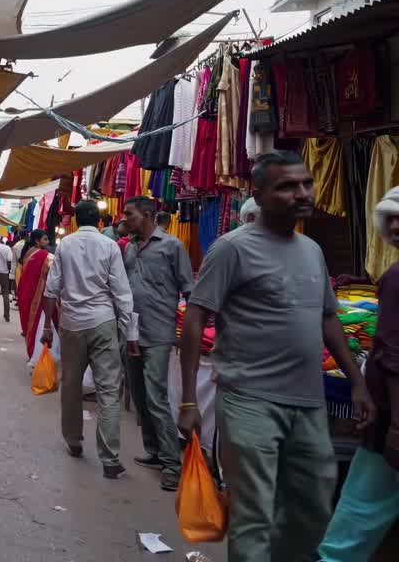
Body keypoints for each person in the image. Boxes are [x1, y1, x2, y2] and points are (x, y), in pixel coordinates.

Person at [178, 151, 374, 562]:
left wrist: (358, 383)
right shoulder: (232, 249)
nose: (302, 193)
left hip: (307, 402)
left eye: (305, 183)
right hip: (249, 398)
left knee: (313, 505)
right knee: (254, 513)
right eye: (287, 186)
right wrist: (189, 399)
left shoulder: (313, 250)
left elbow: (328, 319)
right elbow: (197, 317)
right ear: (260, 194)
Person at [319, 186, 399, 561]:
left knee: (358, 514)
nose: (396, 226)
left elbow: (394, 357)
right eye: (391, 218)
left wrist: (396, 425)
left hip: (392, 422)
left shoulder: (396, 279)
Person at [41, 199, 137, 480]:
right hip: (103, 322)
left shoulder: (65, 245)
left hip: (71, 323)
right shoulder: (109, 246)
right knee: (108, 390)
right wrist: (130, 331)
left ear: (75, 221)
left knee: (70, 384)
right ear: (99, 221)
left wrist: (48, 325)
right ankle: (110, 457)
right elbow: (121, 291)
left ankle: (73, 440)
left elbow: (51, 289)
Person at [122, 195, 194, 492]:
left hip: (160, 332)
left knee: (156, 396)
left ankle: (172, 464)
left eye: (131, 214)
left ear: (149, 214)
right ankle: (153, 450)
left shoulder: (172, 246)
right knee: (138, 394)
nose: (125, 219)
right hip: (132, 331)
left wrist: (190, 332)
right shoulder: (128, 248)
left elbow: (189, 289)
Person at [17, 230, 53, 357]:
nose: (48, 242)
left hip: (26, 291)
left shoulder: (29, 252)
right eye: (45, 239)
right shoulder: (45, 256)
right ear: (37, 241)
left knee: (32, 324)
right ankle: (39, 355)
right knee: (40, 325)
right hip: (39, 295)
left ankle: (34, 354)